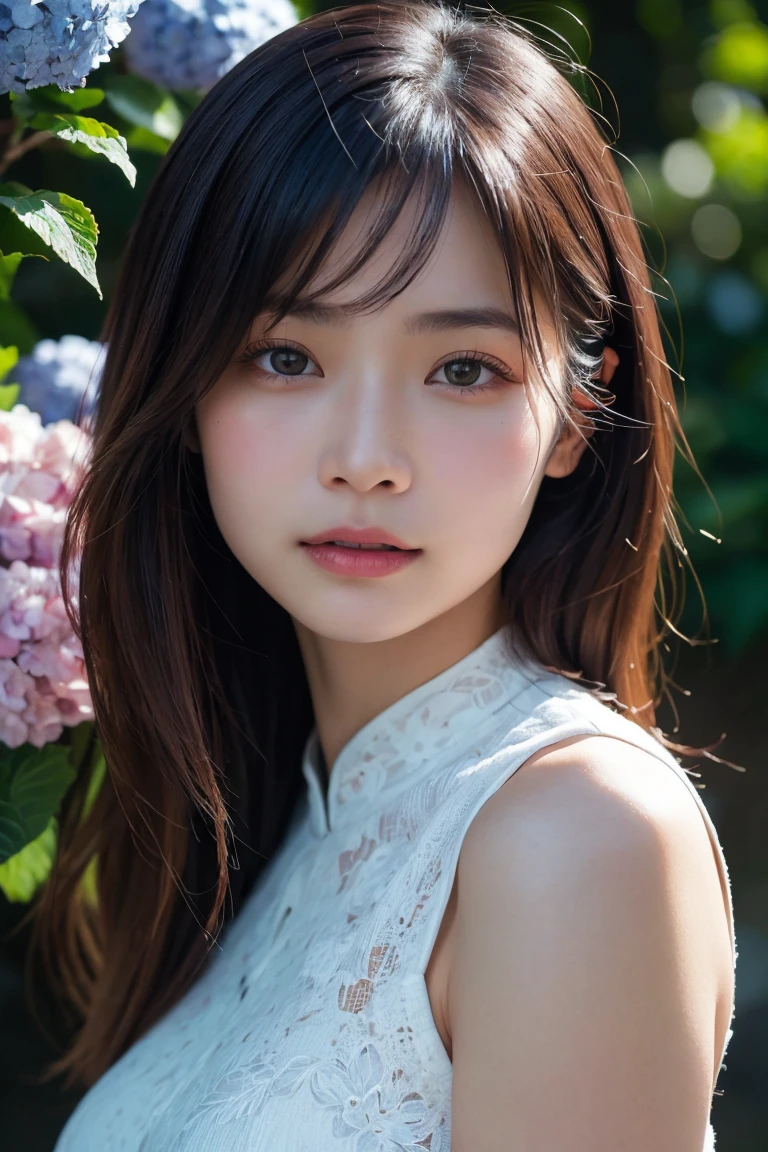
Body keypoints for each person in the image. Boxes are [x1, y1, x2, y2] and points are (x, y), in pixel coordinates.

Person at [36, 2, 736, 1149]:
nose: (365, 460)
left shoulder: (578, 839)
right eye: (284, 356)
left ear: (575, 416)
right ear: (185, 382)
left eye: (462, 369)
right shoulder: (287, 817)